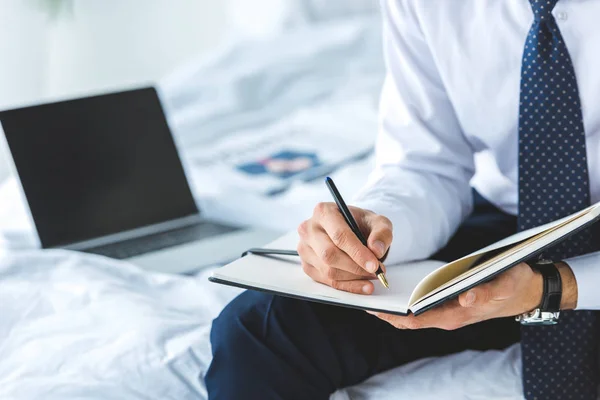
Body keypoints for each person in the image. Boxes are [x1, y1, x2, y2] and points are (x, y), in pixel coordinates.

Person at [206, 1, 600, 399]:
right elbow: (428, 163)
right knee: (259, 331)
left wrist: (555, 287)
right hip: (515, 220)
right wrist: (377, 231)